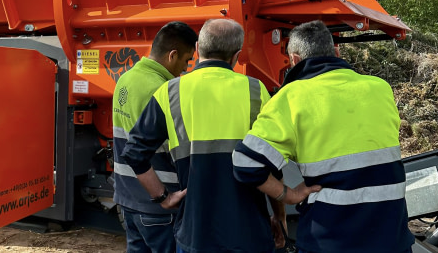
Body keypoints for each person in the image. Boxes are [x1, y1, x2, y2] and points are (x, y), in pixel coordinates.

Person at [121, 18, 315, 252]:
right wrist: (279, 216)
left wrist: (163, 197)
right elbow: (271, 165)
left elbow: (133, 153)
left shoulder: (169, 93)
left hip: (195, 234)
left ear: (198, 49)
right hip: (249, 233)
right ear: (236, 55)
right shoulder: (256, 91)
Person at [233, 20, 414, 253]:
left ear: (295, 60)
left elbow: (245, 163)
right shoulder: (380, 88)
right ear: (336, 51)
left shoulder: (291, 97)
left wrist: (289, 195)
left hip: (330, 241)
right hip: (393, 238)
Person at [113, 21, 198, 253]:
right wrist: (162, 196)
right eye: (186, 60)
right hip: (158, 203)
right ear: (172, 55)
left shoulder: (125, 79)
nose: (185, 68)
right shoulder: (163, 89)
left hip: (128, 198)